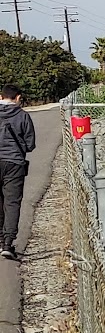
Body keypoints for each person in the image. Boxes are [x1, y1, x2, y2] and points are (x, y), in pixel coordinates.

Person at [0, 83, 36, 260]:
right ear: (18, 98)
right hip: (14, 163)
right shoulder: (23, 116)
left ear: (1, 97)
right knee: (12, 202)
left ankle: (0, 238)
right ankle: (7, 243)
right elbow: (30, 145)